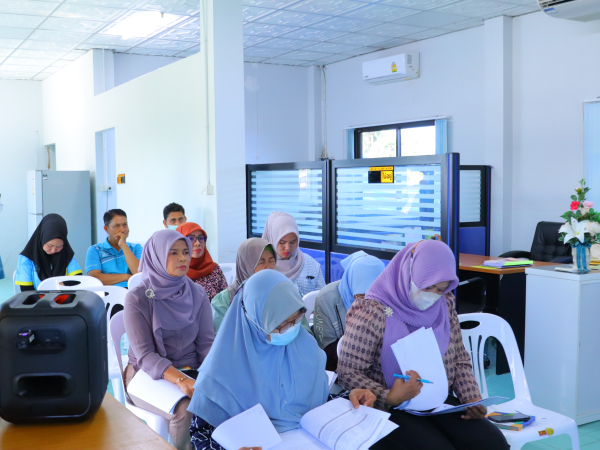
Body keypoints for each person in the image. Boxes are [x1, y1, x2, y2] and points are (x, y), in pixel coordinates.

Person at [337, 240, 509, 450]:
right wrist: (389, 396)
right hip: (391, 407)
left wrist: (471, 397)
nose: (432, 295)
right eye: (427, 286)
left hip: (438, 403)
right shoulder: (372, 310)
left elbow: (459, 359)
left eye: (440, 289)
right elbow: (348, 371)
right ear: (408, 274)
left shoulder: (444, 304)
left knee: (492, 444)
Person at [188, 270, 377, 450]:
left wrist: (349, 398)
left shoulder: (306, 349)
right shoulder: (221, 371)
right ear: (254, 321)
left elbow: (314, 404)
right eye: (280, 325)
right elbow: (200, 435)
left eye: (296, 319)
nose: (291, 329)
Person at [123, 229, 214, 450]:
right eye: (173, 253)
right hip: (147, 374)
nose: (183, 258)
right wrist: (181, 380)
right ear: (156, 256)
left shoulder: (197, 293)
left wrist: (216, 377)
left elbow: (206, 344)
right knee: (185, 410)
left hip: (192, 370)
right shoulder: (137, 298)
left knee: (226, 397)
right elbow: (145, 356)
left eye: (185, 251)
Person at [313, 251, 385, 371]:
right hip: (339, 364)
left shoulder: (387, 297)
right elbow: (325, 348)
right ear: (352, 284)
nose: (367, 303)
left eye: (374, 296)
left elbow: (393, 320)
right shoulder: (326, 299)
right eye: (361, 296)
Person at [210, 238, 276, 333]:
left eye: (271, 260)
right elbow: (221, 340)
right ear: (245, 265)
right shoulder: (225, 300)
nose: (268, 266)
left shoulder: (281, 292)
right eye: (261, 262)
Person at [261, 211, 325, 297]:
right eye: (282, 242)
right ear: (272, 239)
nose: (287, 247)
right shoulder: (262, 267)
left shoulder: (310, 264)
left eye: (293, 242)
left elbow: (323, 297)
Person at [15, 214, 82, 291]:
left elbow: (78, 279)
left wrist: (59, 288)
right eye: (50, 245)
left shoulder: (67, 254)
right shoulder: (26, 257)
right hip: (36, 299)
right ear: (42, 239)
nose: (53, 250)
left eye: (59, 246)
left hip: (63, 298)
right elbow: (26, 289)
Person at [86, 209, 142, 287]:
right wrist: (126, 276)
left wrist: (124, 246)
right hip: (108, 294)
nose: (123, 230)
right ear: (106, 229)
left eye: (125, 224)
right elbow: (94, 278)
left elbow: (138, 273)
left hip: (134, 291)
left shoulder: (136, 248)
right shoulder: (95, 250)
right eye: (117, 226)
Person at [176, 222, 227, 300]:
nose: (197, 243)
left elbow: (226, 301)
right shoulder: (175, 272)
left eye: (201, 238)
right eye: (191, 238)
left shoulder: (214, 269)